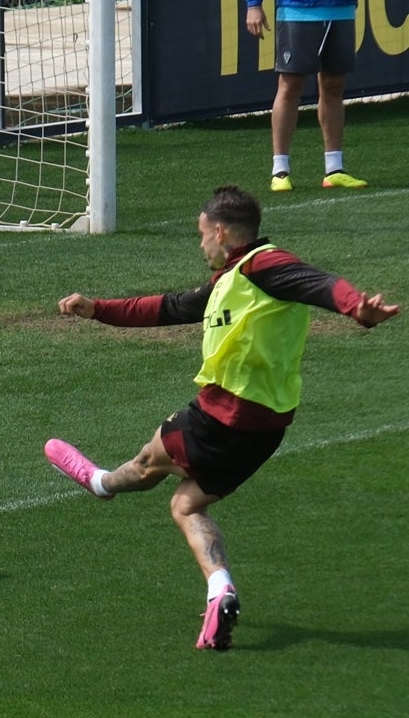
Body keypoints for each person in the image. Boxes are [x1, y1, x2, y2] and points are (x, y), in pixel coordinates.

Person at [45, 184, 398, 650]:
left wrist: (357, 307)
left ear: (219, 231)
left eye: (201, 235)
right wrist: (99, 310)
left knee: (147, 467)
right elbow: (174, 307)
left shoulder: (263, 265)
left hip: (222, 415)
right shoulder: (231, 278)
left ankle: (100, 484)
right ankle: (220, 589)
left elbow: (319, 283)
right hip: (266, 428)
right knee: (186, 504)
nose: (200, 245)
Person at [244, 0, 406, 193]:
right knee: (290, 85)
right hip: (297, 7)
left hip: (342, 6)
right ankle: (280, 170)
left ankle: (334, 168)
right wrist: (254, 3)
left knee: (333, 84)